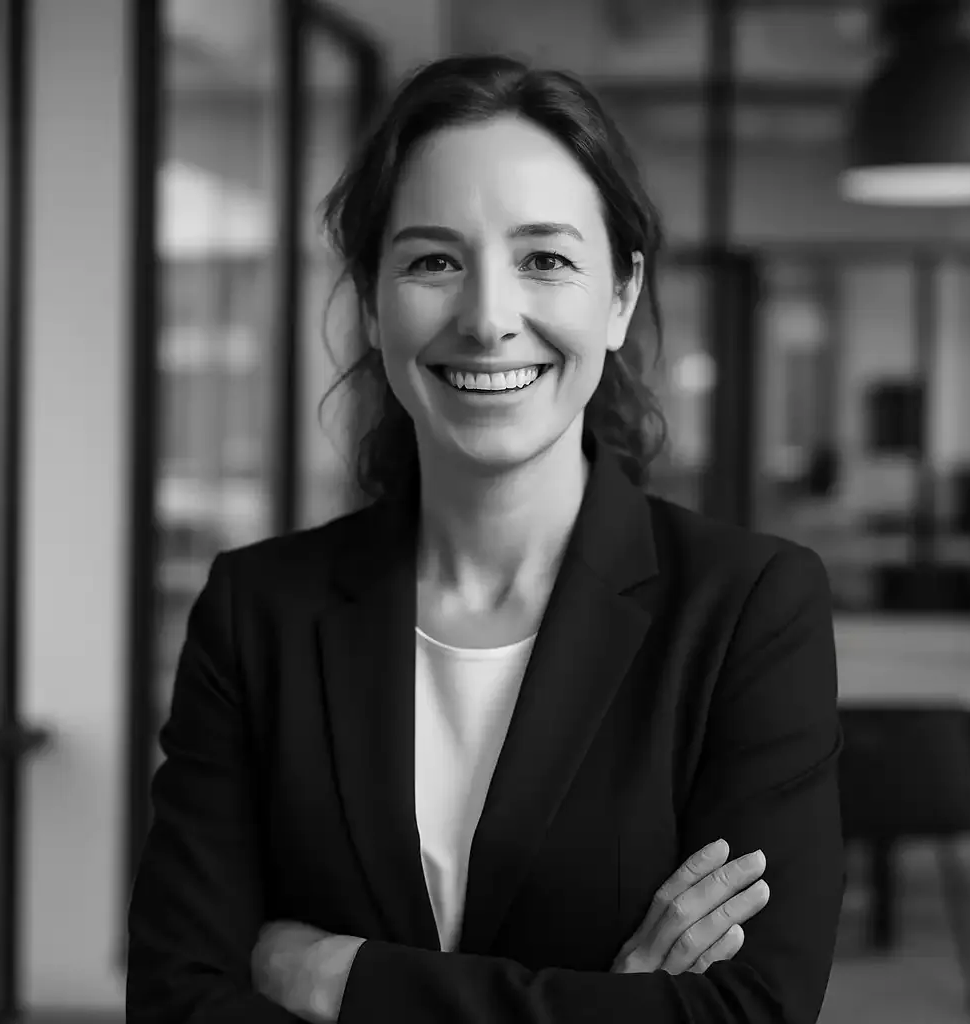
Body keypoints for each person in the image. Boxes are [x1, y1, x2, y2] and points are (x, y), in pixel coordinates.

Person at [126, 54, 844, 1024]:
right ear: (374, 300)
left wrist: (346, 979)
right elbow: (177, 1002)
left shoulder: (746, 607)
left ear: (621, 296)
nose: (488, 317)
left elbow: (750, 1011)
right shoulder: (260, 611)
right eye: (433, 259)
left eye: (544, 258)